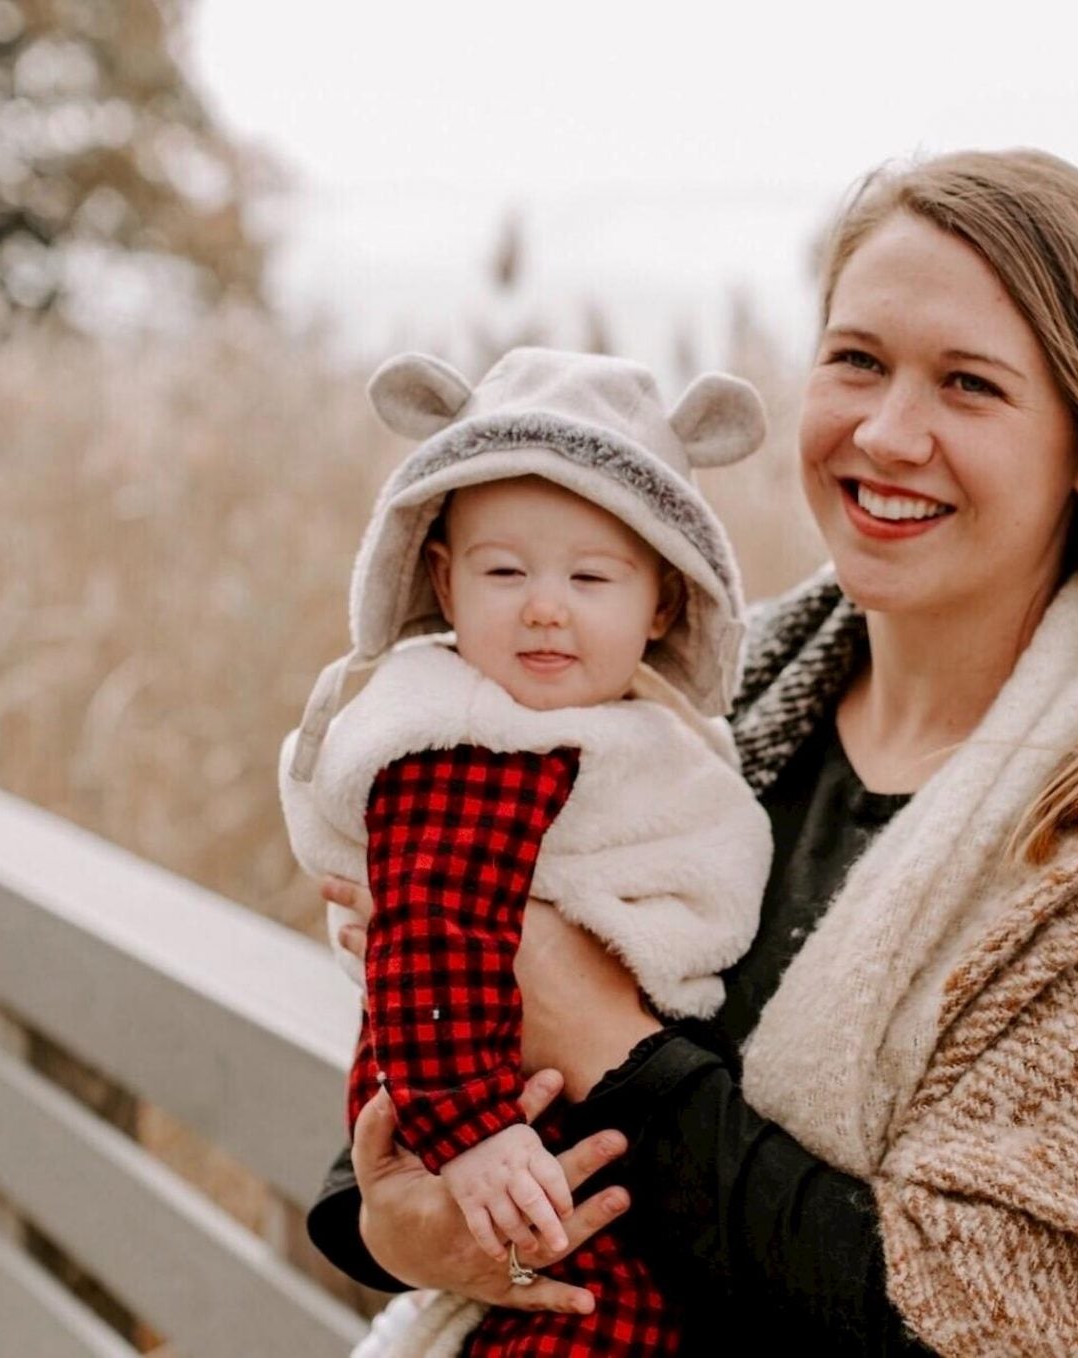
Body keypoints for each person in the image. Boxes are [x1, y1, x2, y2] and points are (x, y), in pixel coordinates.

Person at [309, 148, 1078, 1357]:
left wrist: (602, 1041)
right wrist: (397, 1224)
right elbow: (436, 1028)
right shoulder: (696, 696)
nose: (889, 432)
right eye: (857, 360)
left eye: (970, 385)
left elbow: (1000, 1326)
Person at [279, 347, 775, 1356]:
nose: (544, 605)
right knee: (589, 1321)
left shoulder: (627, 730)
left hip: (545, 1117)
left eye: (591, 576)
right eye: (504, 571)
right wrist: (473, 1123)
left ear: (664, 603)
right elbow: (437, 927)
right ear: (443, 579)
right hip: (501, 1109)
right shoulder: (472, 740)